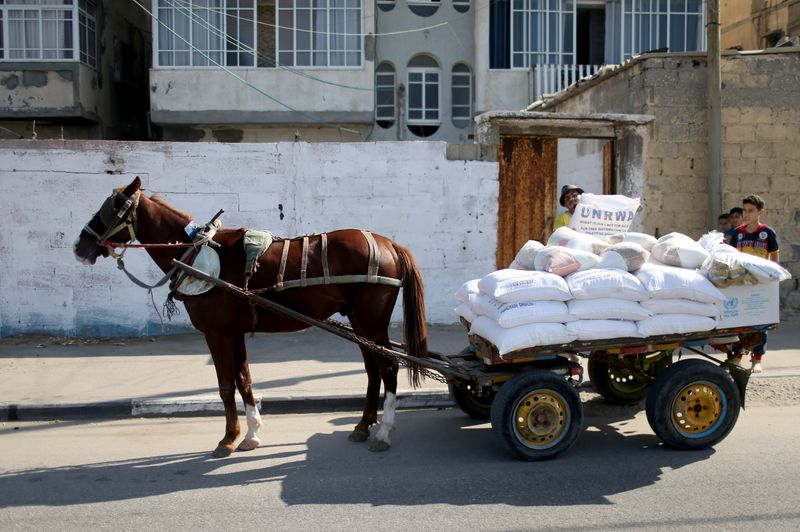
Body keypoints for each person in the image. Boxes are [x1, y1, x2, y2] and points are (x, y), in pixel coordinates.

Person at [727, 195, 780, 373]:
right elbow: (731, 257)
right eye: (744, 210)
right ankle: (738, 356)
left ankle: (757, 359)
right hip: (741, 283)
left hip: (760, 284)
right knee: (740, 322)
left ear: (760, 212)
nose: (746, 214)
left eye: (751, 211)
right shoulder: (738, 233)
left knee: (760, 323)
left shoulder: (767, 233)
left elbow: (774, 257)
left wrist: (773, 277)